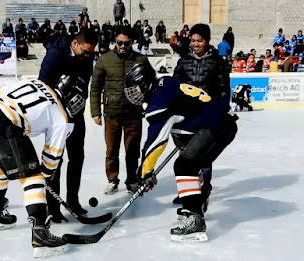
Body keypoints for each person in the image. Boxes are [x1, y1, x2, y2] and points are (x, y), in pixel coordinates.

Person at [0, 75, 88, 258]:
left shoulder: (38, 82)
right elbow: (51, 160)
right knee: (34, 177)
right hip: (3, 125)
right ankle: (41, 234)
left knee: (0, 170)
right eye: (77, 100)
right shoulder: (61, 116)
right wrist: (47, 174)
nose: (78, 106)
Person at [124, 62, 238, 242]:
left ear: (145, 84)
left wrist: (145, 172)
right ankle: (194, 208)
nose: (134, 94)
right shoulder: (165, 84)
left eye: (135, 89)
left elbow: (156, 141)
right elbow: (185, 114)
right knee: (190, 164)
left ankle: (195, 220)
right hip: (218, 121)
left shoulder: (159, 101)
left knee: (185, 165)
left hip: (217, 125)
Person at [39, 30, 98, 223]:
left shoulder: (87, 56)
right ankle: (53, 208)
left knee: (77, 157)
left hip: (76, 114)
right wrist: (61, 98)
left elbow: (85, 81)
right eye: (85, 52)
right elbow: (42, 85)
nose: (88, 57)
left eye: (91, 53)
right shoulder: (56, 53)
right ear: (74, 43)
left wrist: (78, 98)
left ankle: (73, 200)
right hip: (56, 116)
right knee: (55, 160)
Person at [172, 23, 230, 205]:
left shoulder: (217, 62)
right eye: (193, 40)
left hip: (207, 115)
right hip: (186, 115)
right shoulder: (183, 61)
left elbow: (223, 90)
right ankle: (188, 192)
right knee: (186, 155)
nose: (196, 44)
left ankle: (204, 190)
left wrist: (220, 110)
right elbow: (174, 87)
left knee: (202, 154)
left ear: (207, 41)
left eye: (200, 40)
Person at [90, 27, 148, 195]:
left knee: (132, 151)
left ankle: (132, 180)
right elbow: (95, 87)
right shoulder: (104, 60)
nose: (123, 46)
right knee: (111, 151)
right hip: (112, 114)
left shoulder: (141, 60)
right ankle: (112, 179)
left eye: (126, 43)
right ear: (115, 42)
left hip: (133, 114)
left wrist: (144, 94)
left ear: (132, 43)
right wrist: (95, 111)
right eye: (119, 43)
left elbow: (151, 82)